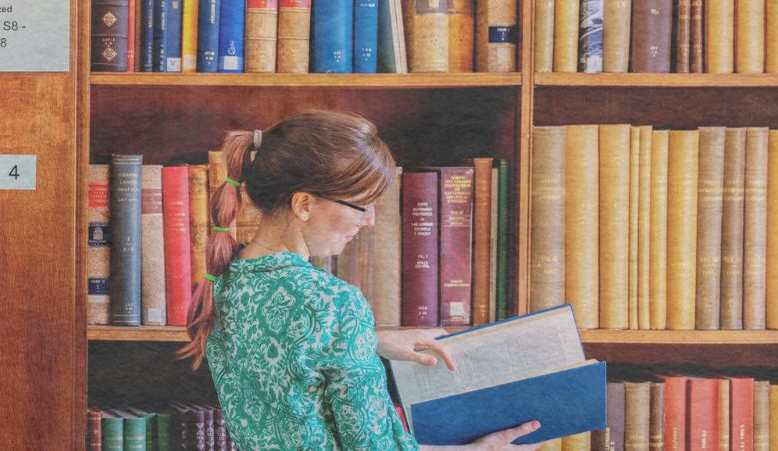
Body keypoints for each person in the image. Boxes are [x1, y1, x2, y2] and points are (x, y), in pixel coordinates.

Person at [177, 110, 540, 450]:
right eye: (361, 206)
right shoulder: (333, 303)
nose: (369, 222)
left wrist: (368, 341)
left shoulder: (223, 281)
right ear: (304, 204)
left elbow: (286, 357)